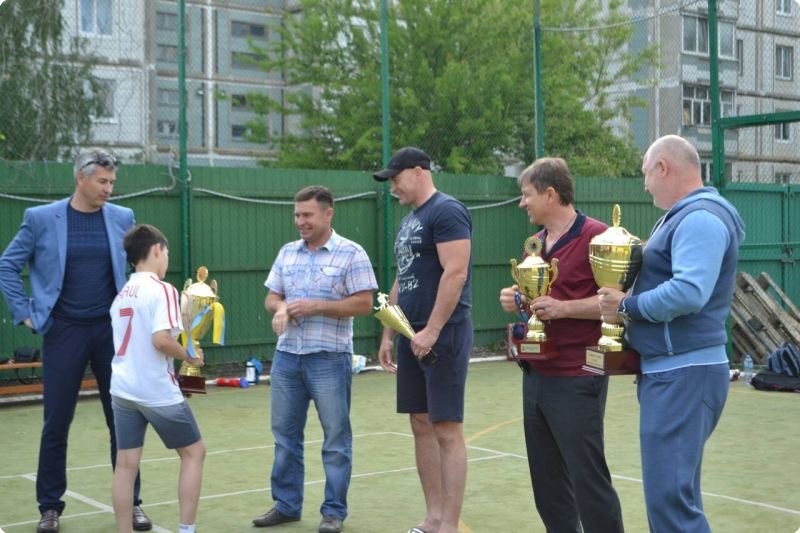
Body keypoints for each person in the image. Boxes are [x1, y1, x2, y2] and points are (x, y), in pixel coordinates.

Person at [598, 135, 745, 532]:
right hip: (674, 372)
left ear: (663, 167)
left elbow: (689, 291)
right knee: (672, 501)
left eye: (646, 173)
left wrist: (625, 306)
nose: (644, 185)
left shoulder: (700, 218)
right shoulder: (685, 216)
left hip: (684, 373)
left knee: (671, 506)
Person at [0, 148, 151, 533]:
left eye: (112, 182)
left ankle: (132, 503)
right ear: (80, 178)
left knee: (122, 419)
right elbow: (7, 264)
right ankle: (49, 507)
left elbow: (142, 266)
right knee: (56, 421)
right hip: (63, 331)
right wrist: (25, 312)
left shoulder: (123, 217)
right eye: (102, 181)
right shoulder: (40, 218)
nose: (109, 188)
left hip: (111, 333)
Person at [498, 157, 624, 533]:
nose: (522, 203)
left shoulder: (599, 237)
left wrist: (564, 308)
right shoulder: (534, 246)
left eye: (527, 195)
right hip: (536, 374)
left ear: (550, 194)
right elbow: (536, 302)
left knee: (588, 480)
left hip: (578, 375)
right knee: (547, 483)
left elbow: (618, 302)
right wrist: (517, 299)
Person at [252, 186, 378, 533]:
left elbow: (364, 303)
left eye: (307, 215)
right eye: (297, 215)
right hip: (287, 358)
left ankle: (333, 511)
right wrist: (280, 308)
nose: (300, 221)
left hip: (329, 359)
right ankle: (286, 505)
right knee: (284, 436)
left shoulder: (351, 253)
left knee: (335, 439)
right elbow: (272, 297)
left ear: (328, 213)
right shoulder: (287, 252)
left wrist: (315, 306)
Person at [373, 147, 473, 533]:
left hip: (443, 334)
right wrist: (389, 331)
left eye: (396, 179)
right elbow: (403, 276)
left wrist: (432, 330)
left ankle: (449, 525)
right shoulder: (409, 220)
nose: (392, 187)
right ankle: (432, 518)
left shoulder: (447, 211)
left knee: (446, 427)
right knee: (420, 423)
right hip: (410, 334)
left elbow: (456, 272)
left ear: (418, 172)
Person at [110, 224, 206, 533]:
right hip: (154, 389)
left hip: (122, 389)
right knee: (194, 453)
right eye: (167, 253)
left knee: (126, 465)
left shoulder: (121, 294)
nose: (167, 259)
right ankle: (186, 529)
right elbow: (161, 340)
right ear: (156, 250)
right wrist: (190, 356)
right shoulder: (162, 289)